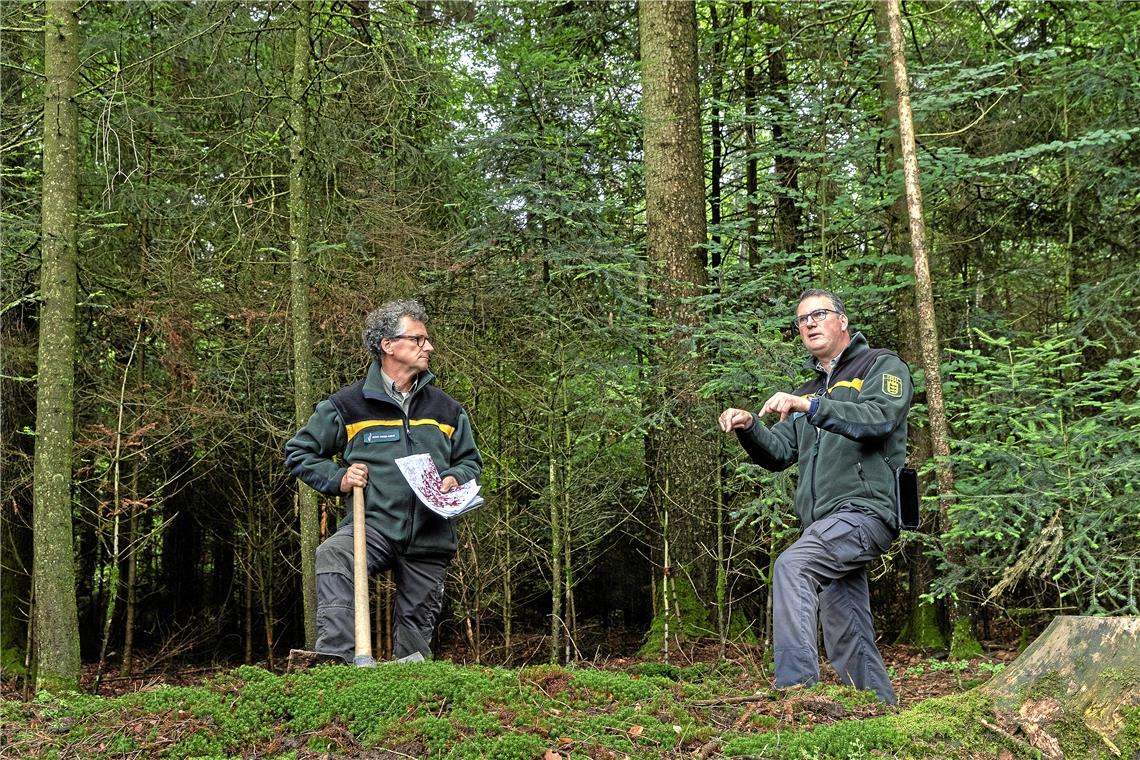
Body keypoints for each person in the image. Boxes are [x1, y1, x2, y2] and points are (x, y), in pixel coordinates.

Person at [718, 289, 912, 704]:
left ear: (842, 321)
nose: (808, 324)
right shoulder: (809, 391)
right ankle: (882, 713)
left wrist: (810, 406)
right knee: (848, 628)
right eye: (802, 320)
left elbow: (879, 419)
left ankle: (796, 693)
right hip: (823, 524)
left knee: (793, 566)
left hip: (865, 512)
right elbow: (780, 454)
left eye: (819, 315)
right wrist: (750, 425)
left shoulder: (879, 365)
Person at [285, 299, 482, 663]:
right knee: (333, 554)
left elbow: (470, 462)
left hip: (429, 533)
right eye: (419, 340)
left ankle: (409, 690)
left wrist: (455, 477)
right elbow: (299, 452)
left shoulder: (447, 409)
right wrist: (339, 477)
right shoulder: (347, 406)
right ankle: (338, 662)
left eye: (427, 340)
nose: (429, 347)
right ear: (388, 345)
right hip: (372, 525)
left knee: (415, 638)